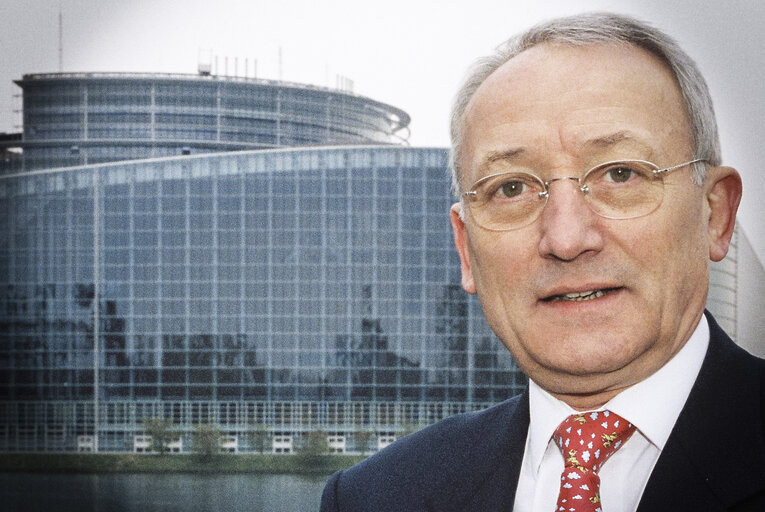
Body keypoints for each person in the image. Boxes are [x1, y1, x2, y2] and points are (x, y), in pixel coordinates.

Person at [320, 12, 765, 512]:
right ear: (466, 249)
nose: (567, 238)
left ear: (715, 214)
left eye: (620, 174)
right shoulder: (373, 497)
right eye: (511, 188)